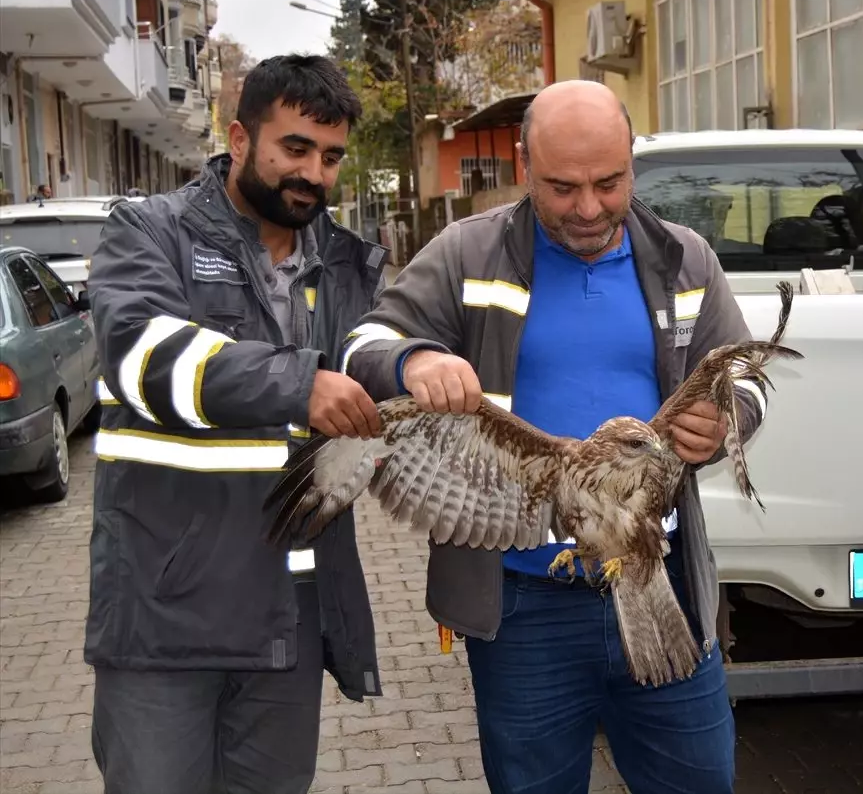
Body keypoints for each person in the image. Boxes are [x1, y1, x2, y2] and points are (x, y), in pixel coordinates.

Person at [340, 79, 762, 794]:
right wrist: (414, 358)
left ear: (632, 162)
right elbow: (360, 347)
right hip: (524, 606)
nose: (589, 207)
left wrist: (727, 420)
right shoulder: (466, 253)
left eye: (609, 182)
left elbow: (746, 378)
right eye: (563, 187)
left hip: (660, 582)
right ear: (523, 165)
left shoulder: (686, 259)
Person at [83, 54, 387, 793]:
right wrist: (297, 382)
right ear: (240, 138)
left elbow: (377, 355)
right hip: (166, 620)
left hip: (288, 618)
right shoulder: (150, 232)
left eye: (331, 156)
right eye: (295, 148)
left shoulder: (346, 264)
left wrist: (417, 364)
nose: (314, 173)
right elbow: (144, 356)